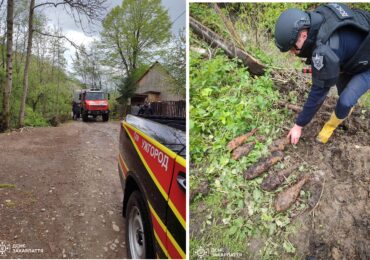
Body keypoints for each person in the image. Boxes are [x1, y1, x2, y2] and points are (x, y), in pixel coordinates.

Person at [275, 3, 370, 144]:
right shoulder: (320, 15)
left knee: (345, 101)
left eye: (292, 48)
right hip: (356, 51)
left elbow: (318, 93)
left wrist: (299, 125)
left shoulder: (325, 50)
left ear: (303, 35)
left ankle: (330, 127)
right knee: (342, 89)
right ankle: (345, 111)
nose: (293, 53)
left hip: (366, 63)